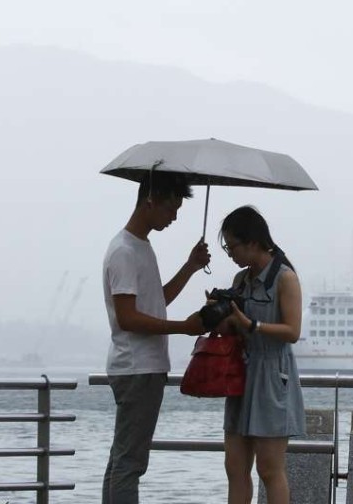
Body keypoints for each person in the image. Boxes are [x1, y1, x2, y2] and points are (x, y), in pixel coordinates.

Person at [102, 171, 211, 504]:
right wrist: (185, 327)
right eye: (171, 208)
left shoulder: (139, 247)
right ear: (150, 200)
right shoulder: (124, 251)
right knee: (130, 463)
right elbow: (129, 318)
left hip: (140, 367)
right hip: (138, 368)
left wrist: (191, 267)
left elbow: (155, 301)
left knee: (122, 459)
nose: (174, 217)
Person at [217, 205, 305, 504]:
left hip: (272, 375)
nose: (231, 253)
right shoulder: (241, 280)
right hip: (240, 374)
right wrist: (220, 316)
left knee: (269, 470)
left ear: (253, 242)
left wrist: (251, 325)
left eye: (233, 246)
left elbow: (292, 331)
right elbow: (235, 328)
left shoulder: (285, 278)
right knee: (234, 467)